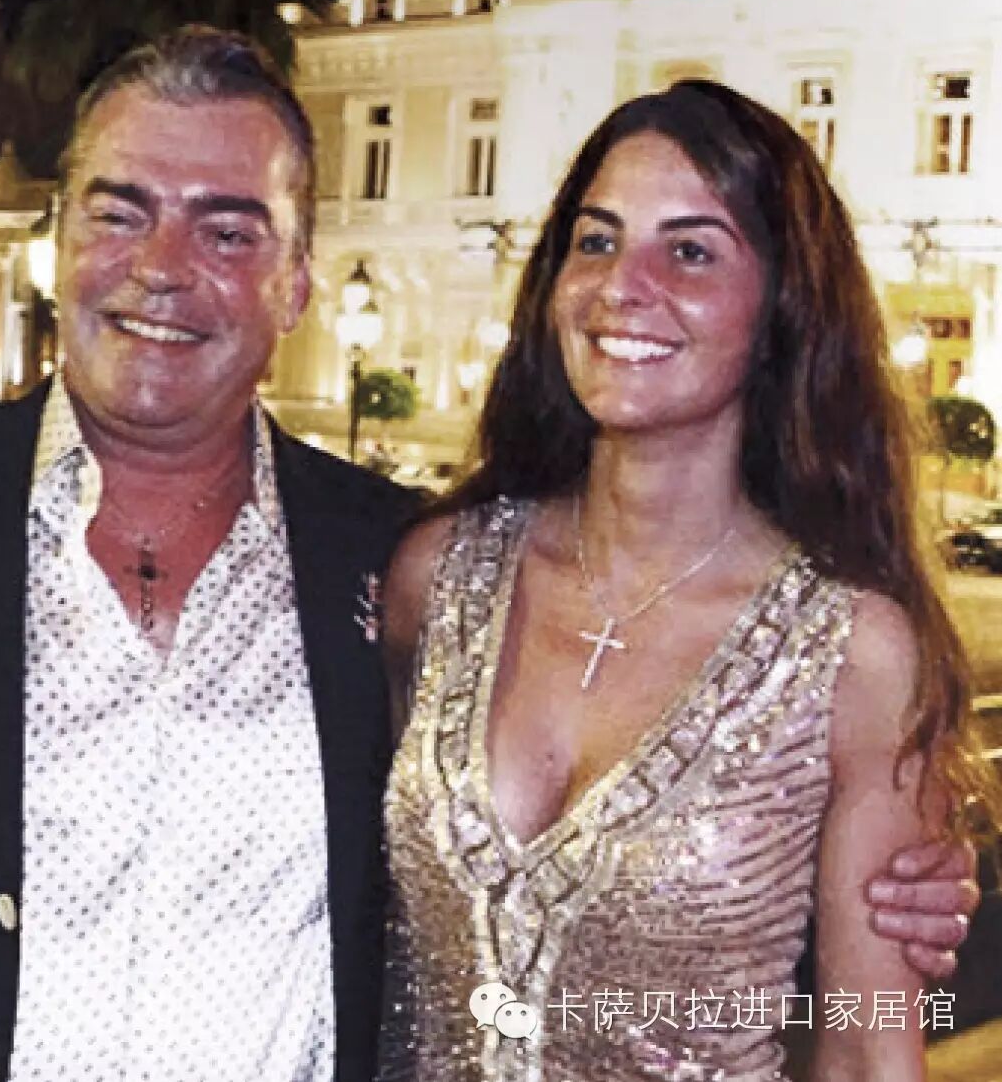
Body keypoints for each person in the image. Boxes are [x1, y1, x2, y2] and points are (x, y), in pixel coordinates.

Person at [0, 35, 974, 1082]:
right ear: (55, 242)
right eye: (120, 212)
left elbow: (829, 996)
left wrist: (872, 904)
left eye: (228, 229)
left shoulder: (381, 557)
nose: (163, 270)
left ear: (297, 280)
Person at [380, 80, 999, 1081]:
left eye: (691, 250)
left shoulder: (850, 650)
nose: (622, 285)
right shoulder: (435, 576)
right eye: (595, 239)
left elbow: (865, 1046)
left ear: (781, 307)